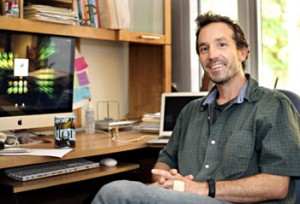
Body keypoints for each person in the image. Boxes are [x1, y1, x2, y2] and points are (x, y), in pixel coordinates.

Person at [91, 12, 300, 204]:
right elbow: (164, 162)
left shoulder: (273, 105)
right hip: (187, 197)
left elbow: (277, 185)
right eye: (204, 48)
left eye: (221, 45)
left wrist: (203, 189)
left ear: (243, 52)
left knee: (116, 193)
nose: (211, 55)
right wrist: (166, 178)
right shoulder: (191, 111)